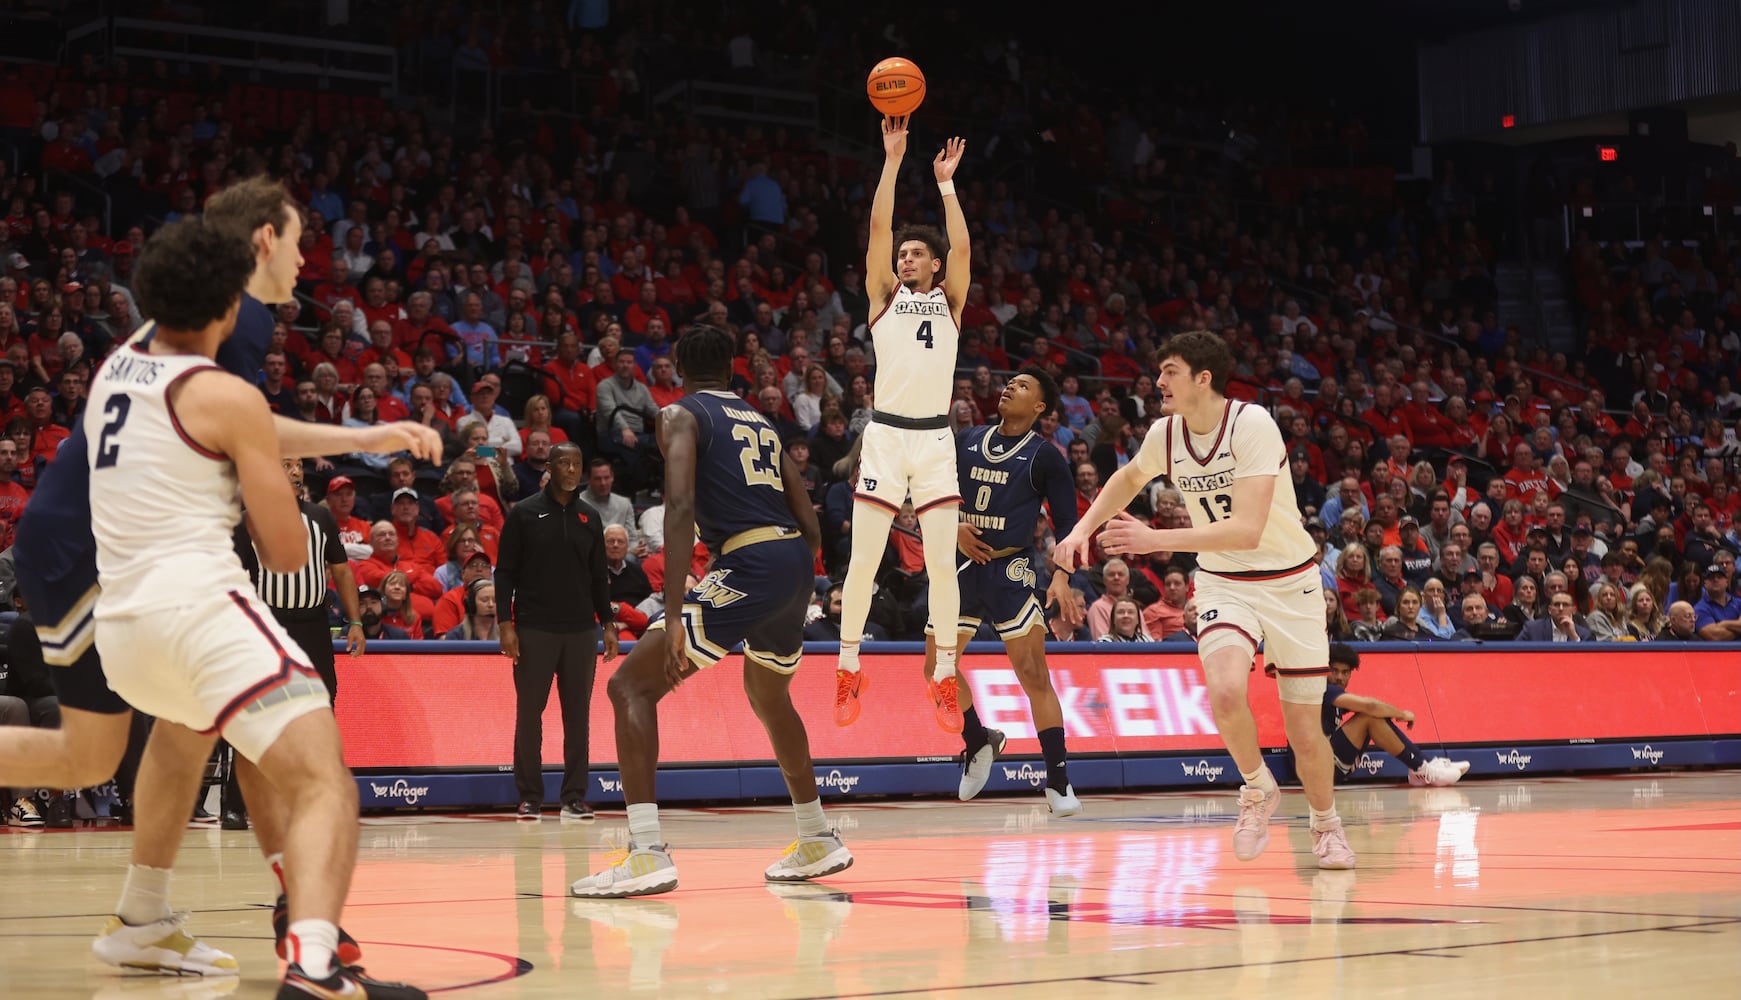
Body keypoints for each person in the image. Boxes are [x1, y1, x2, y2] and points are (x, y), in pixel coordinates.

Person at [0, 180, 440, 981]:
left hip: (115, 574)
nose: (310, 262)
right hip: (119, 563)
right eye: (301, 242)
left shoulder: (122, 357)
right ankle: (307, 937)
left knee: (130, 742)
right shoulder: (244, 328)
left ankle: (146, 914)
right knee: (312, 772)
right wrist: (287, 470)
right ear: (260, 247)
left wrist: (364, 432)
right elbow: (241, 440)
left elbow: (223, 418)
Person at [1055, 330, 1355, 870]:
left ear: (1202, 378)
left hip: (1291, 583)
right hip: (1224, 583)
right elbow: (1127, 479)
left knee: (1305, 731)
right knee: (1222, 688)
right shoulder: (1166, 434)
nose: (1159, 381)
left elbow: (1246, 528)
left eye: (1169, 371)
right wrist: (1081, 530)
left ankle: (1325, 825)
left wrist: (1154, 539)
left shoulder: (1252, 424)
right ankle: (1257, 786)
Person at [572, 325, 852, 898]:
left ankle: (646, 852)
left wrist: (674, 614)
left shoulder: (678, 415)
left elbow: (676, 505)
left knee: (629, 688)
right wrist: (791, 574)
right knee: (769, 693)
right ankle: (817, 834)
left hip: (749, 561)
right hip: (794, 561)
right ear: (732, 369)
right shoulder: (763, 423)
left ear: (677, 366)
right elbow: (812, 521)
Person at [835, 118, 971, 730]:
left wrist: (946, 187)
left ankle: (945, 676)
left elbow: (964, 250)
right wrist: (892, 162)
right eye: (902, 254)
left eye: (917, 253)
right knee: (863, 561)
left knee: (943, 564)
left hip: (935, 439)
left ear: (935, 265)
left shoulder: (951, 298)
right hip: (887, 436)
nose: (904, 257)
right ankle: (847, 666)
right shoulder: (882, 297)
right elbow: (878, 228)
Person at [926, 368, 1084, 814]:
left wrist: (1061, 575)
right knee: (934, 671)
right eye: (1009, 382)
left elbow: (1068, 523)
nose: (1009, 387)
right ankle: (978, 741)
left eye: (1022, 386)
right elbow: (935, 492)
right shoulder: (968, 438)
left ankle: (1058, 781)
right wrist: (954, 526)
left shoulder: (1045, 456)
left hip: (1010, 567)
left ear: (1039, 407)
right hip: (961, 565)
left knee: (1034, 675)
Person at [496, 441, 618, 821]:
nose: (570, 469)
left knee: (577, 715)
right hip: (534, 629)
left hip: (581, 631)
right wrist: (505, 624)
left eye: (576, 462)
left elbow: (599, 577)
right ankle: (530, 795)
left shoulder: (589, 517)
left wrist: (608, 623)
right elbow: (505, 574)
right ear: (548, 467)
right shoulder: (525, 514)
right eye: (563, 462)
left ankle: (573, 797)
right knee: (530, 713)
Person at [1313, 644, 1469, 786]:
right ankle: (1421, 767)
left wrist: (1389, 713)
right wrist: (1401, 714)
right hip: (1315, 767)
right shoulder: (1322, 688)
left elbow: (1373, 708)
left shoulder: (1334, 695)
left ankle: (1423, 765)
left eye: (1345, 672)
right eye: (1334, 670)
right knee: (1369, 715)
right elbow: (1371, 706)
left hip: (1326, 763)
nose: (1339, 677)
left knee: (1372, 715)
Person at [1517, 592, 1594, 642]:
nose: (1561, 608)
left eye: (1565, 605)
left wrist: (1573, 636)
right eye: (1557, 605)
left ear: (1573, 610)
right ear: (1550, 610)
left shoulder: (1585, 634)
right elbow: (1515, 653)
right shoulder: (1532, 629)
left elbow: (1588, 661)